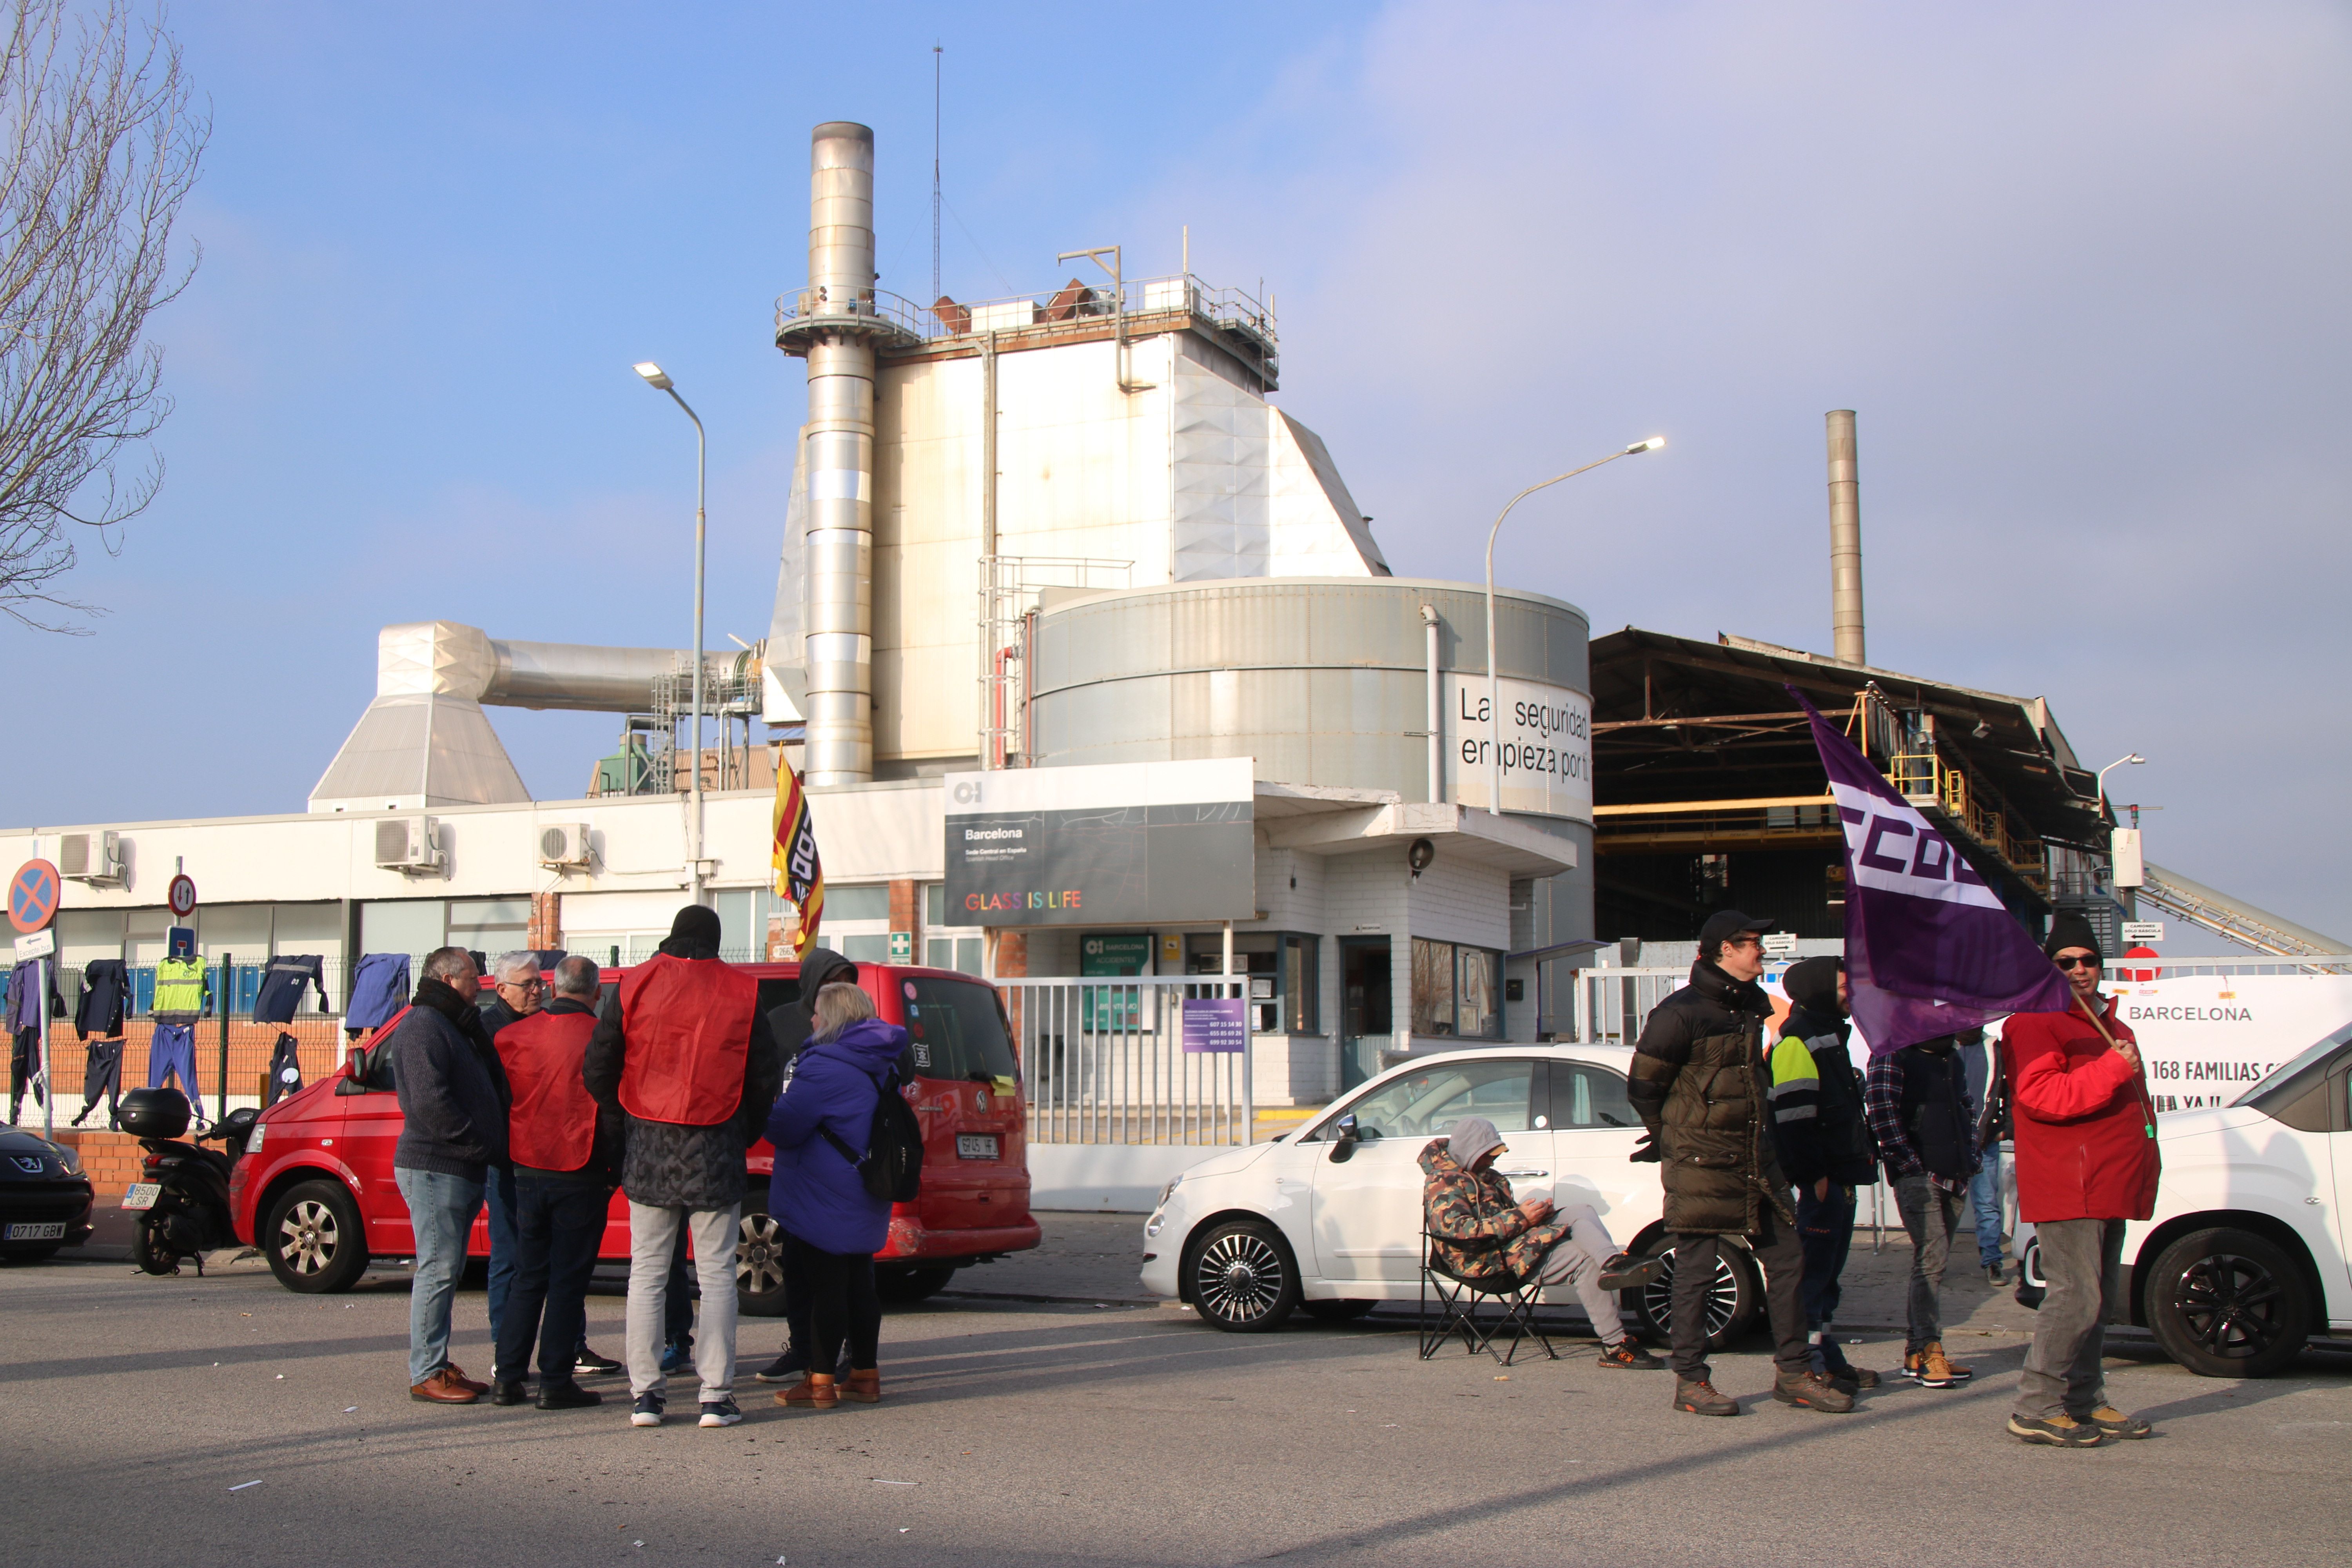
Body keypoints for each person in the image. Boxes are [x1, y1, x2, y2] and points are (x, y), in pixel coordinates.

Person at [1630, 909, 1851, 1417]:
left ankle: (1794, 1372)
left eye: (1759, 941)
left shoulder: (1753, 1006)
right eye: (1750, 942)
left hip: (1755, 1156)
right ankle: (1691, 1379)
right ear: (1722, 951)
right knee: (1697, 1270)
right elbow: (1644, 1086)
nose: (1760, 950)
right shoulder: (1680, 1013)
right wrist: (1675, 1139)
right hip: (1701, 1159)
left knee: (1789, 1259)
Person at [584, 906, 782, 1430]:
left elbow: (598, 1067)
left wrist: (628, 1112)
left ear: (673, 934)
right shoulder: (743, 990)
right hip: (716, 1143)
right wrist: (742, 1129)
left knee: (648, 1272)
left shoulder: (635, 983)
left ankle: (646, 1395)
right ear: (716, 939)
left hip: (648, 1141)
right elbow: (765, 1075)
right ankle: (715, 1396)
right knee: (717, 1273)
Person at [1998, 915, 2159, 1448]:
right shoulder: (2035, 1022)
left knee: (2098, 1296)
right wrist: (2113, 1068)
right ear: (2049, 966)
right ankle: (2037, 1404)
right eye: (2066, 962)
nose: (2081, 970)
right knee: (2076, 1297)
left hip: (2105, 1178)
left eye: (2088, 960)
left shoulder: (2106, 1023)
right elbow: (2042, 1095)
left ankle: (2083, 1397)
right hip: (2071, 1180)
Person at [1420, 1114, 1663, 1368]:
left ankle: (1614, 1263)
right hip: (1480, 1260)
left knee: (1580, 1211)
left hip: (1509, 1247)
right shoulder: (1443, 1183)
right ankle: (1615, 1345)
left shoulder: (1489, 1177)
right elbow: (1459, 1232)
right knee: (1584, 1261)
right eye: (1489, 1154)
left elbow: (1505, 1219)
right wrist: (1521, 1217)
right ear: (1470, 1150)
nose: (1494, 1160)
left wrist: (1536, 1216)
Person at [764, 981, 906, 1408]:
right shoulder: (881, 1063)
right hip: (865, 1185)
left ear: (832, 1020)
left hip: (822, 1190)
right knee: (860, 1284)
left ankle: (820, 1381)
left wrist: (767, 1106)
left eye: (818, 1013)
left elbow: (785, 1127)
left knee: (825, 1286)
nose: (811, 1019)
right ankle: (865, 1373)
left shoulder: (824, 1066)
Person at [488, 956, 621, 1410]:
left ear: (554, 986)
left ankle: (508, 1376)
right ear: (596, 992)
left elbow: (504, 1099)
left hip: (528, 1165)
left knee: (528, 1275)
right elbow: (611, 1109)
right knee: (567, 1279)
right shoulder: (602, 1038)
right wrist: (613, 1172)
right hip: (580, 1166)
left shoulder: (511, 1037)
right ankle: (556, 1379)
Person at [387, 947, 511, 1405]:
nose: (478, 983)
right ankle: (426, 1371)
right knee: (438, 1270)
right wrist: (476, 1142)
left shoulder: (453, 1024)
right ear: (447, 978)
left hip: (457, 1166)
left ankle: (436, 1362)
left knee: (448, 1268)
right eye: (471, 977)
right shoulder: (423, 1024)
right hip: (437, 1166)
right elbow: (430, 1104)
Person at [1766, 956, 1881, 1388]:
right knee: (1812, 1280)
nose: (1851, 992)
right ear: (1817, 990)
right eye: (1842, 985)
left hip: (1840, 1178)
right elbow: (1794, 1119)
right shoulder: (1798, 1039)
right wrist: (1814, 1177)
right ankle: (1807, 1363)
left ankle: (1828, 1357)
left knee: (1828, 1281)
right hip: (1824, 1181)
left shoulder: (1829, 1035)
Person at [752, 946, 860, 1386]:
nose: (841, 989)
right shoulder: (783, 1022)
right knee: (795, 1261)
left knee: (850, 1270)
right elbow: (764, 1076)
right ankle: (802, 1349)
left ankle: (853, 1356)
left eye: (848, 981)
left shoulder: (862, 1027)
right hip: (799, 1162)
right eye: (833, 981)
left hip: (847, 1169)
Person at [1865, 1031, 1980, 1389]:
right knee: (1931, 1260)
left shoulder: (1953, 1057)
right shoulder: (1893, 1052)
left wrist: (1971, 1155)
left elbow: (1965, 1105)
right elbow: (1881, 1109)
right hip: (1919, 1176)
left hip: (1956, 1172)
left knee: (1934, 1262)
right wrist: (1911, 1165)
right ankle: (1931, 1349)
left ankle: (1917, 1353)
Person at [477, 951, 543, 1359]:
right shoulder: (489, 1031)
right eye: (528, 984)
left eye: (540, 982)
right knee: (508, 1253)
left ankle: (570, 1346)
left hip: (543, 1153)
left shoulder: (543, 1023)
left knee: (551, 1255)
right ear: (501, 989)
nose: (538, 990)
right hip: (506, 1157)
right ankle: (506, 1348)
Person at [1960, 1026, 2012, 1284]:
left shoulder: (1994, 1047)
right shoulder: (1941, 1047)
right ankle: (1929, 1266)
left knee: (1987, 1204)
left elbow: (2010, 1092)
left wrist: (2005, 1130)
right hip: (1948, 1146)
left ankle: (1992, 1262)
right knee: (1939, 1208)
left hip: (1983, 1143)